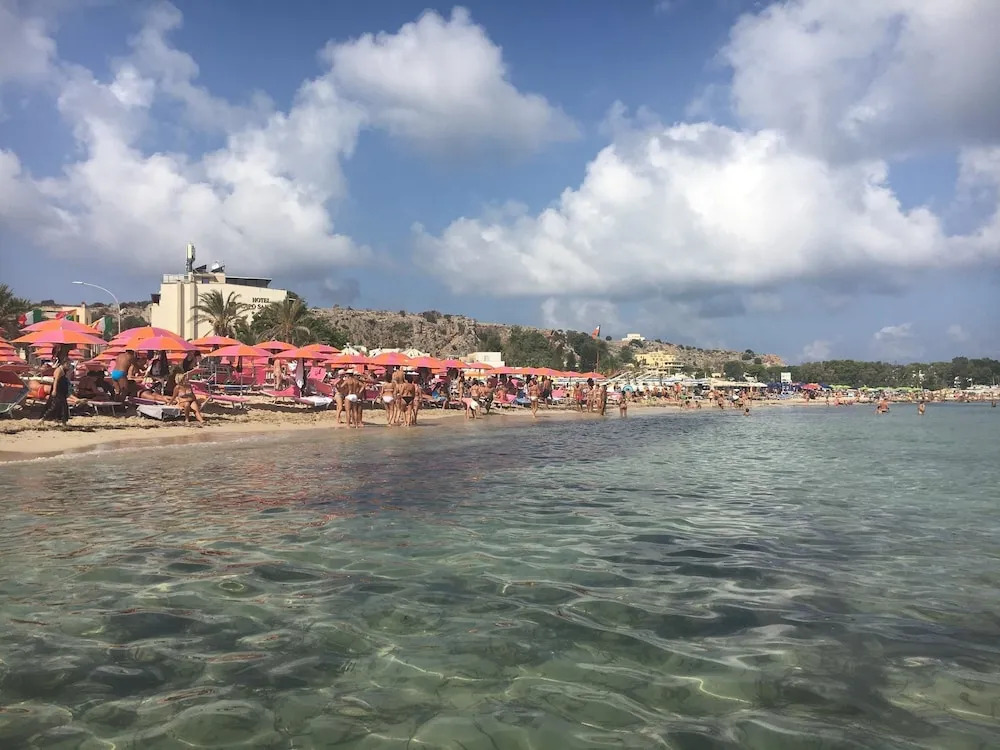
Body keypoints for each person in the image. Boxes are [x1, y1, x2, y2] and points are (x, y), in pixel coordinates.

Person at [41, 345, 71, 425]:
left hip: (62, 390)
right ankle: (43, 419)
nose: (69, 365)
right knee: (54, 406)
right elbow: (56, 381)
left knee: (64, 406)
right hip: (58, 390)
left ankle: (63, 422)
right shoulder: (59, 370)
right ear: (64, 363)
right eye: (68, 364)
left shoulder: (64, 370)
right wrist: (54, 390)